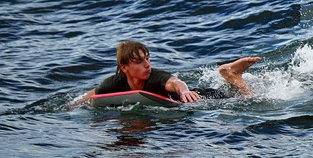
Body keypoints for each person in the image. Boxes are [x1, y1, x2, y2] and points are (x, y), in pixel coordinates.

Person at [74, 41, 261, 106]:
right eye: (139, 61)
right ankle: (231, 76)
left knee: (251, 100)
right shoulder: (115, 82)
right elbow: (95, 93)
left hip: (201, 97)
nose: (147, 64)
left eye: (148, 58)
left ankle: (232, 76)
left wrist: (185, 92)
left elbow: (174, 82)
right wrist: (75, 105)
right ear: (124, 67)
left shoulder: (155, 76)